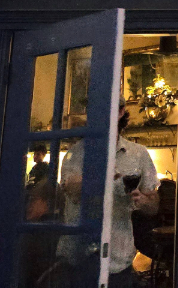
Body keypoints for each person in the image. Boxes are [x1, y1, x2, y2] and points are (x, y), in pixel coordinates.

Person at [59, 103, 158, 288]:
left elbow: (153, 205)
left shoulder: (138, 154)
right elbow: (70, 187)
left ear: (121, 112)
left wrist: (144, 201)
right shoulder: (76, 153)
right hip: (78, 257)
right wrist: (102, 176)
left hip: (118, 258)